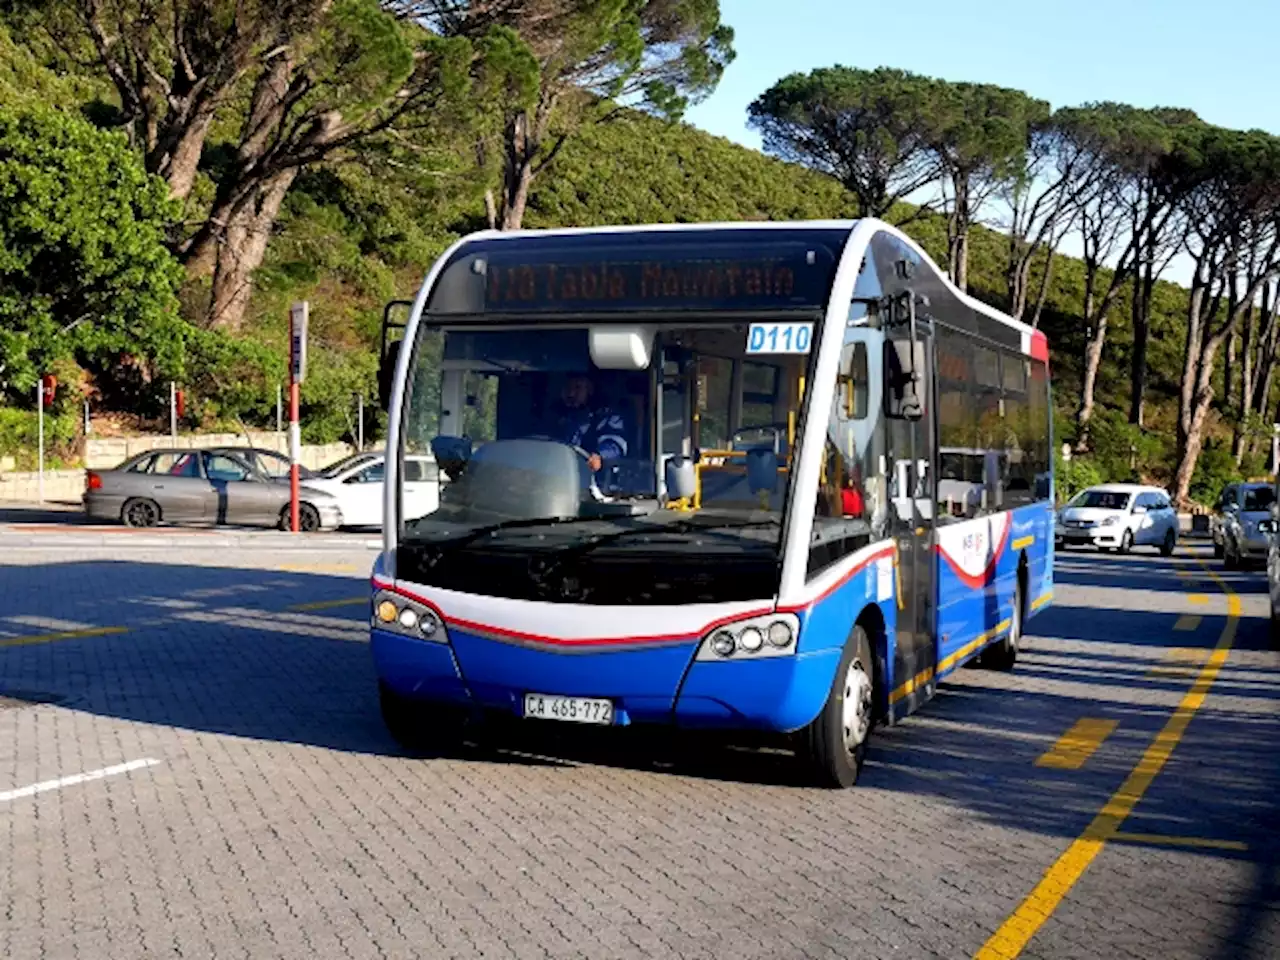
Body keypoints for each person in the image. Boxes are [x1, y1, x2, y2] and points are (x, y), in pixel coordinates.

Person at [550, 373, 630, 473]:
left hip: (596, 482)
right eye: (568, 387)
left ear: (591, 389)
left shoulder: (609, 417)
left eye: (578, 387)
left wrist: (599, 456)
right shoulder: (558, 418)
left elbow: (614, 445)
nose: (571, 394)